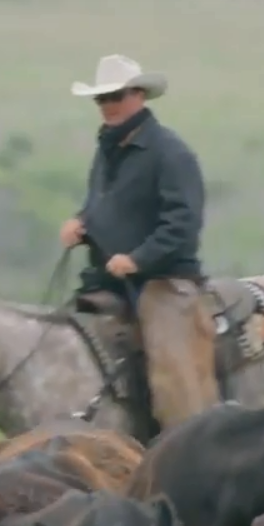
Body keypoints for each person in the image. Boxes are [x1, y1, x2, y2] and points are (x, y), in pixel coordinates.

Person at [59, 54, 219, 432]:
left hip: (163, 280)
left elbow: (183, 222)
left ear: (139, 95)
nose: (108, 106)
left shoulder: (171, 153)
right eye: (101, 99)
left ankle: (189, 438)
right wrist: (81, 222)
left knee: (172, 373)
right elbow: (104, 204)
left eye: (115, 96)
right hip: (107, 280)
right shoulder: (107, 149)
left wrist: (138, 259)